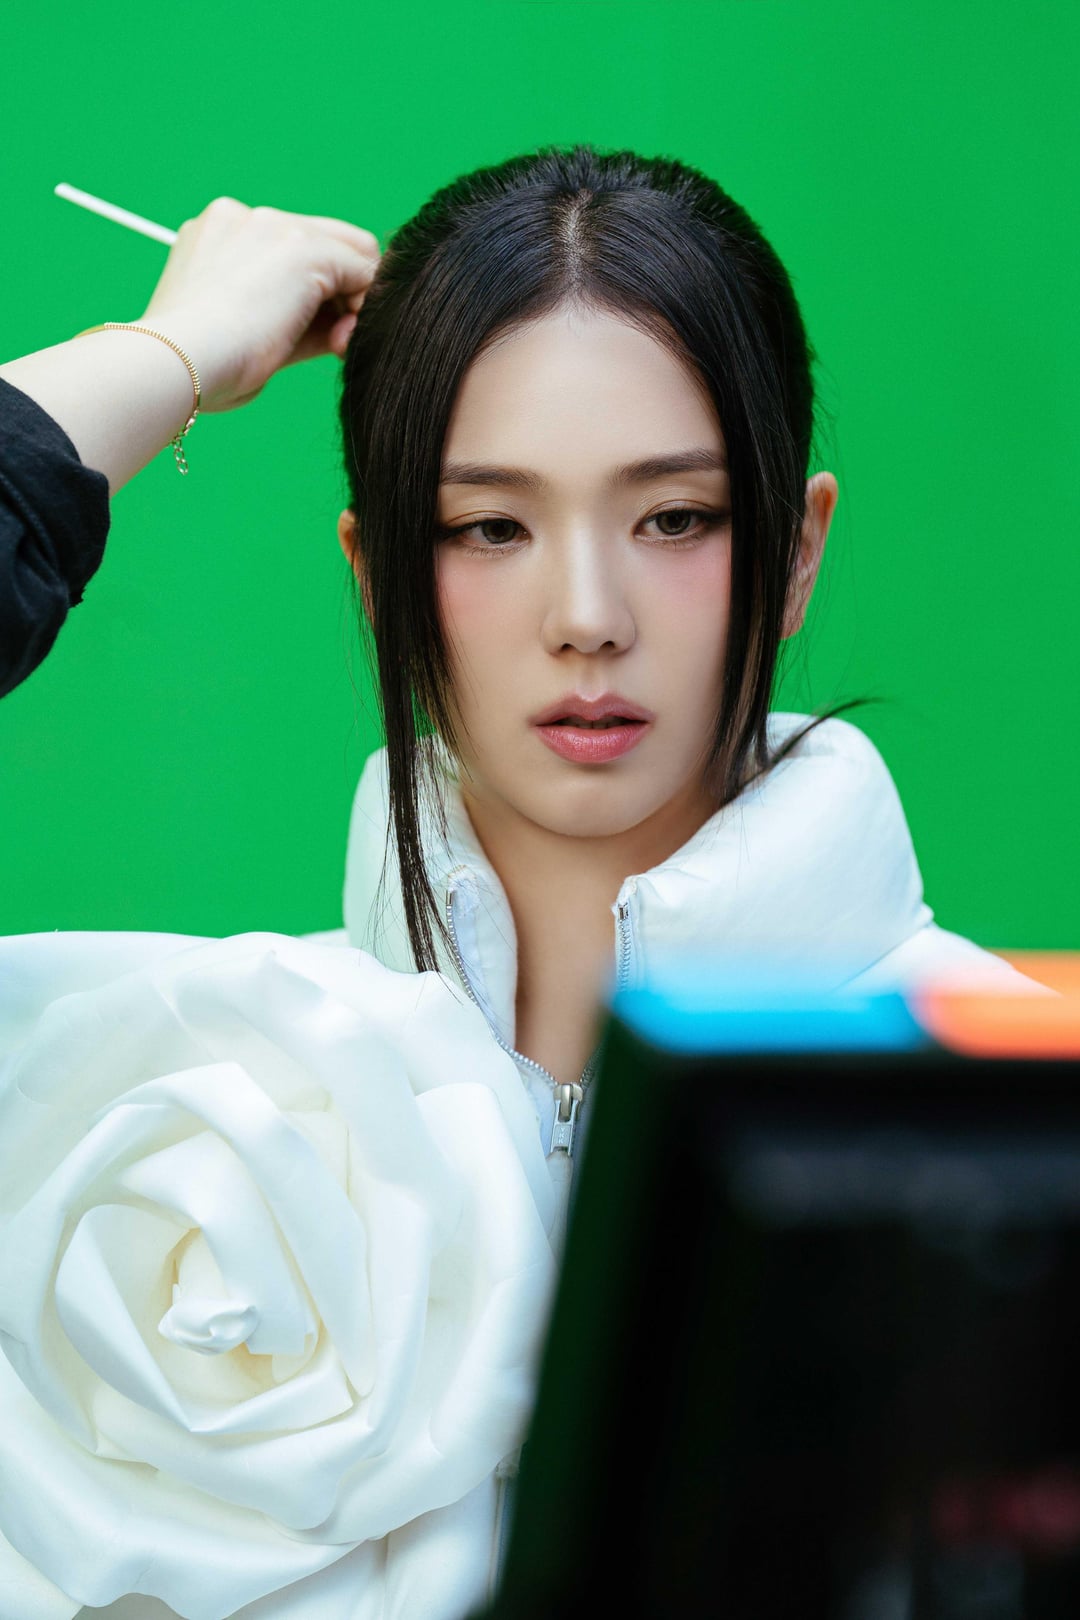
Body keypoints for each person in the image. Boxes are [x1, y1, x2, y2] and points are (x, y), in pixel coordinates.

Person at [0, 145, 1043, 1620]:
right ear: (378, 574)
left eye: (675, 518)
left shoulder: (1006, 1132)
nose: (587, 618)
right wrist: (155, 360)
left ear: (796, 550)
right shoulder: (140, 1108)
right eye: (489, 526)